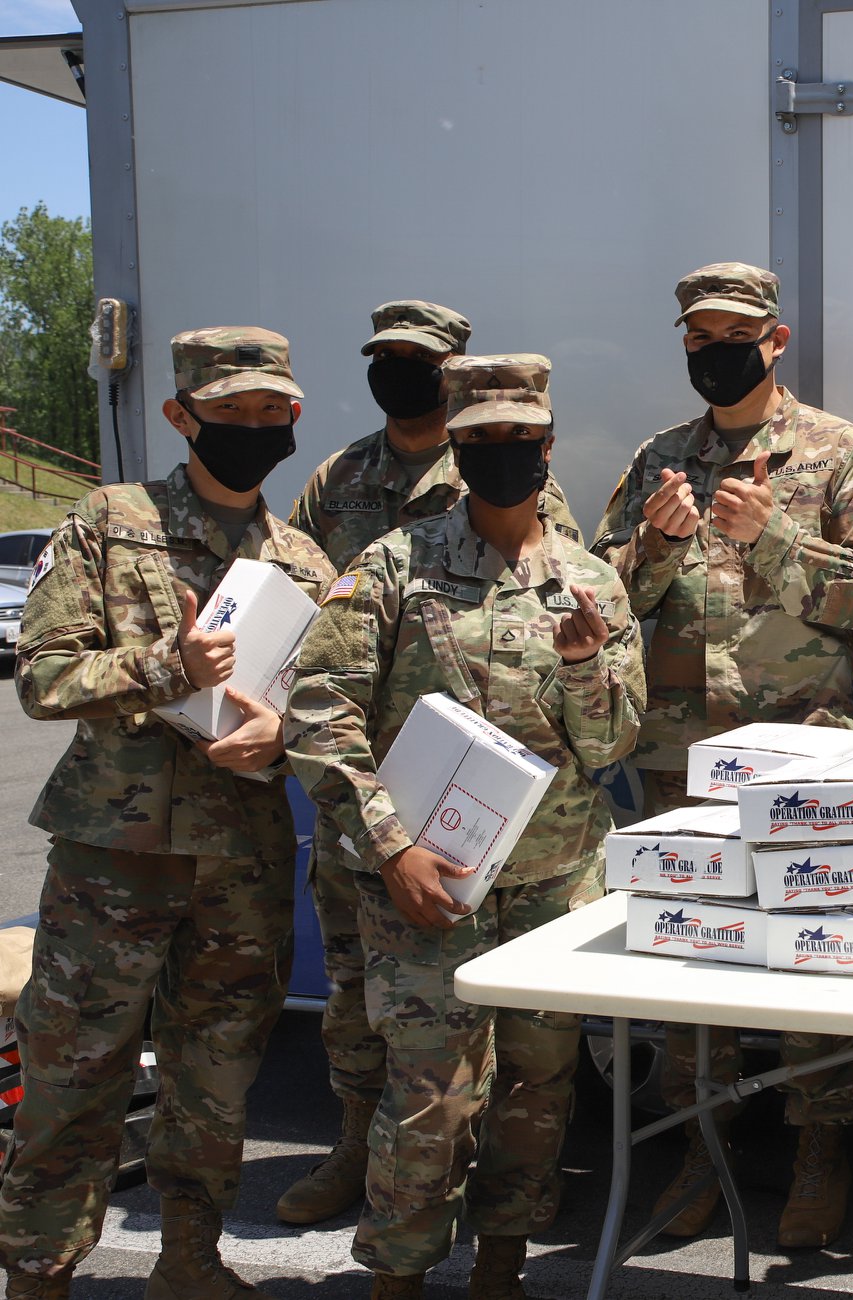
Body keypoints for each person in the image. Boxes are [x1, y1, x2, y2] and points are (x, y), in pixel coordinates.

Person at [284, 355, 644, 1300]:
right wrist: (390, 847)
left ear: (547, 446)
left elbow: (612, 742)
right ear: (454, 446)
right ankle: (398, 1277)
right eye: (480, 439)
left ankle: (500, 1268)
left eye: (518, 440)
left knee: (537, 1087)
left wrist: (582, 666)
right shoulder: (395, 564)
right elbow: (321, 716)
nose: (501, 455)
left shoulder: (592, 585)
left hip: (553, 881)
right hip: (427, 882)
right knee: (429, 1097)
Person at [0, 328, 335, 1300]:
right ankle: (39, 1274)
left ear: (292, 420)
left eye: (270, 412)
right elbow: (46, 677)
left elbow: (327, 708)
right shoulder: (113, 518)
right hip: (117, 852)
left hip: (243, 861)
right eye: (229, 412)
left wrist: (279, 735)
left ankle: (189, 1259)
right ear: (180, 415)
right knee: (77, 1068)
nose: (251, 427)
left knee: (217, 1069)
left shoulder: (303, 561)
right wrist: (167, 670)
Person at [590, 262, 853, 1249]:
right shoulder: (658, 459)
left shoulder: (836, 452)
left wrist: (771, 540)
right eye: (697, 336)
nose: (714, 350)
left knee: (813, 960)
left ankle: (820, 1149)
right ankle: (698, 1148)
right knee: (692, 959)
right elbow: (599, 602)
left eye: (734, 334)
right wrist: (649, 548)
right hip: (681, 762)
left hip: (805, 759)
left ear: (773, 342)